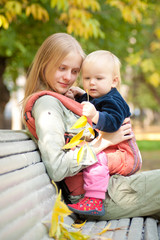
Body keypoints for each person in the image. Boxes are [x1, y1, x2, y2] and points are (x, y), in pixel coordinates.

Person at [22, 33, 160, 221]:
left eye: (74, 71)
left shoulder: (67, 98)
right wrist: (104, 142)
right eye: (62, 68)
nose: (68, 77)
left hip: (109, 184)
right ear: (45, 64)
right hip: (96, 196)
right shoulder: (47, 105)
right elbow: (57, 168)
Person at [66, 50, 142, 216]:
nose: (92, 83)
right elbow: (89, 103)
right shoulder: (97, 96)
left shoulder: (113, 100)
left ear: (113, 81)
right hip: (113, 151)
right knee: (95, 157)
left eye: (99, 78)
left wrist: (95, 115)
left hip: (126, 155)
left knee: (96, 158)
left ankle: (94, 200)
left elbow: (113, 122)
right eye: (87, 78)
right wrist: (77, 97)